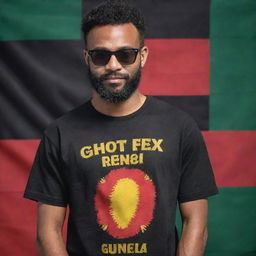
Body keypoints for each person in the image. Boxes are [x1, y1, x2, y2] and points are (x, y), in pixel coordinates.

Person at [24, 1, 218, 255]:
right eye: (101, 55)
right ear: (87, 58)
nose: (113, 65)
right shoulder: (59, 134)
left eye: (126, 54)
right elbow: (47, 231)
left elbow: (196, 224)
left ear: (143, 56)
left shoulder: (180, 128)